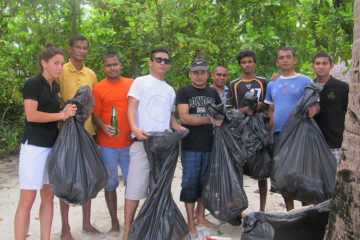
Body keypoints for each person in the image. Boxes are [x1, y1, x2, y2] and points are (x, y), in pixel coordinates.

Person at [14, 43, 77, 240]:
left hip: (52, 147)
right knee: (28, 199)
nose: (60, 67)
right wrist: (61, 115)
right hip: (34, 147)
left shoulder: (54, 86)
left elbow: (58, 114)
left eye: (61, 63)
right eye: (56, 63)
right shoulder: (33, 83)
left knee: (48, 197)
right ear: (44, 63)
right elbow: (31, 115)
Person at [122, 47, 186, 240]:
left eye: (166, 61)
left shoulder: (169, 90)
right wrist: (134, 128)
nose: (163, 63)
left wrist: (180, 129)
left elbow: (170, 118)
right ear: (150, 62)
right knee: (134, 189)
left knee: (158, 189)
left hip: (164, 147)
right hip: (142, 142)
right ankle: (127, 233)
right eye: (159, 59)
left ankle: (154, 231)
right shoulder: (140, 82)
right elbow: (131, 106)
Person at [264, 47, 319, 211]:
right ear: (277, 61)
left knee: (302, 175)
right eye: (281, 57)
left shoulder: (306, 80)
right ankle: (290, 213)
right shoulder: (272, 84)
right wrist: (270, 135)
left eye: (288, 57)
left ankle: (305, 212)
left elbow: (316, 105)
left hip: (300, 134)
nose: (285, 60)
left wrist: (314, 110)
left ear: (295, 60)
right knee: (284, 175)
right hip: (280, 136)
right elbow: (271, 111)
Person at [56, 34, 99, 240]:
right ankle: (65, 228)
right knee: (66, 180)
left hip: (88, 132)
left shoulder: (91, 74)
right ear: (70, 49)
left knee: (88, 177)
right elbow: (52, 99)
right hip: (66, 134)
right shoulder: (60, 71)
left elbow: (94, 103)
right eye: (78, 47)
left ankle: (87, 222)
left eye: (85, 48)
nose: (82, 51)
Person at [176, 59, 222, 237]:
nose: (199, 75)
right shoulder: (184, 91)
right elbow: (185, 118)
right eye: (195, 72)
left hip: (210, 146)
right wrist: (210, 120)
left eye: (202, 72)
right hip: (191, 147)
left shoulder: (212, 92)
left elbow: (220, 115)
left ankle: (200, 216)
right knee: (189, 184)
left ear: (207, 74)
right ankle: (190, 221)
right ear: (190, 73)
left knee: (205, 184)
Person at [92, 53, 133, 236]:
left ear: (121, 65)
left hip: (130, 143)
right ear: (104, 68)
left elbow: (138, 107)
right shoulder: (98, 88)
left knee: (132, 185)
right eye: (108, 65)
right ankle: (115, 222)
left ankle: (129, 222)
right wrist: (103, 126)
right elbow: (95, 115)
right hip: (107, 144)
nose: (112, 68)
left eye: (115, 64)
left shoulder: (131, 84)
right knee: (110, 184)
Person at [226, 49, 268, 212]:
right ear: (240, 65)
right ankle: (239, 209)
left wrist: (259, 106)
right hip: (240, 130)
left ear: (254, 63)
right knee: (239, 168)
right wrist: (244, 110)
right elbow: (230, 109)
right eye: (243, 62)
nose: (247, 65)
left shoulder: (263, 82)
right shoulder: (234, 84)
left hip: (260, 129)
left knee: (262, 168)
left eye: (249, 61)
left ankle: (262, 210)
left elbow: (269, 105)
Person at [312, 52, 349, 163]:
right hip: (313, 144)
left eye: (325, 63)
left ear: (331, 66)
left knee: (336, 179)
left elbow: (349, 113)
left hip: (336, 144)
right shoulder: (309, 87)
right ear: (312, 67)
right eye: (318, 63)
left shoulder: (342, 87)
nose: (321, 66)